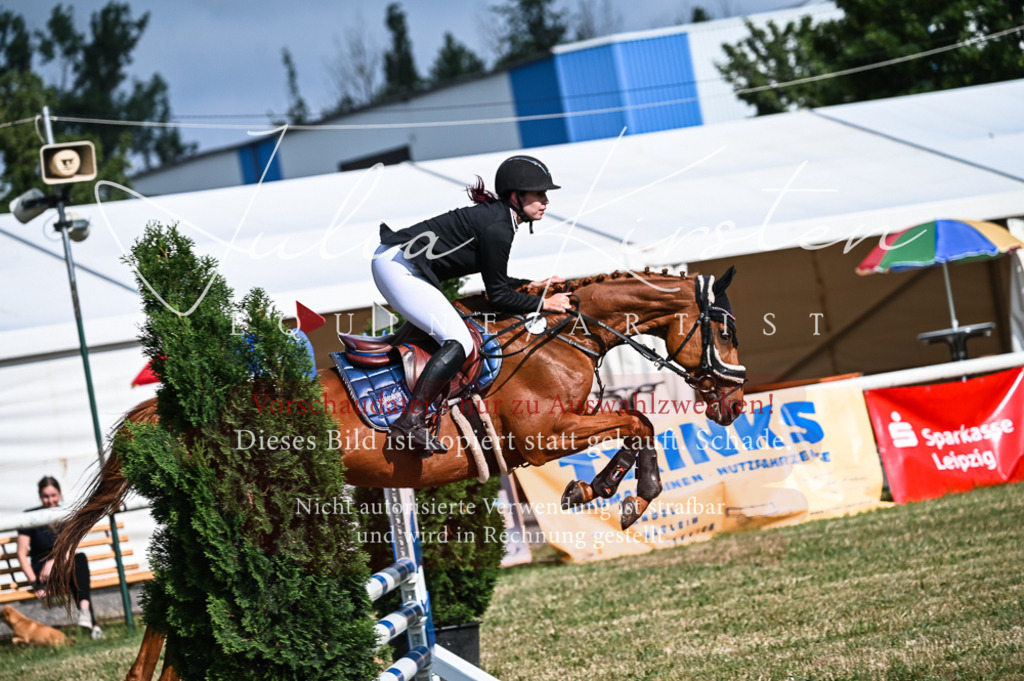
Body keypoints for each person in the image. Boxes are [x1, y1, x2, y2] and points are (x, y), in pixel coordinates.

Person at [372, 155, 573, 456]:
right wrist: (545, 303)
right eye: (539, 193)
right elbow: (499, 297)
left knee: (449, 334)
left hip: (397, 262)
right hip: (399, 267)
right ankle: (410, 420)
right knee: (460, 342)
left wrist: (532, 285)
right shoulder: (498, 226)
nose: (546, 201)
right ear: (516, 196)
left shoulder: (500, 218)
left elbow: (498, 281)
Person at [16, 476, 102, 639]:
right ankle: (93, 624)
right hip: (43, 573)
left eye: (54, 495)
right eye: (46, 497)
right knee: (77, 570)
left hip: (61, 565)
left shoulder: (65, 514)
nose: (50, 500)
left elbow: (70, 548)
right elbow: (21, 554)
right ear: (40, 496)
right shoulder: (29, 517)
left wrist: (53, 562)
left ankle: (84, 611)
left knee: (79, 560)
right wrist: (35, 583)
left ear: (60, 494)